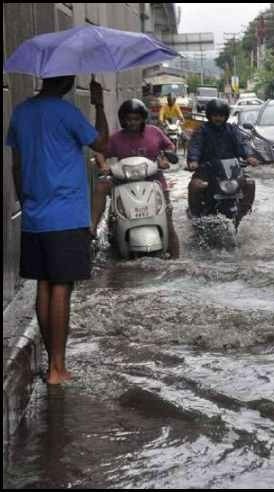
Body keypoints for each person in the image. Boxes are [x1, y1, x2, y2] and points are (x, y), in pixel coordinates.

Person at [6, 75, 109, 385]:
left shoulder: (21, 112)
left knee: (44, 284)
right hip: (66, 214)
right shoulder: (66, 113)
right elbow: (102, 143)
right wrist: (99, 103)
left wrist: (26, 200)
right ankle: (57, 368)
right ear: (65, 81)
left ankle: (54, 362)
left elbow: (16, 164)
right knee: (61, 285)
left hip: (35, 215)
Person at [91, 98, 181, 258]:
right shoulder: (116, 138)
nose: (132, 123)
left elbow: (169, 147)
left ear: (143, 119)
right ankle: (92, 228)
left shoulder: (155, 133)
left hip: (154, 181)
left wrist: (165, 159)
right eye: (129, 119)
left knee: (168, 223)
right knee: (100, 186)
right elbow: (100, 152)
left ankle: (176, 260)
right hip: (122, 182)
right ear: (123, 120)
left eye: (136, 119)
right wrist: (103, 164)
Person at [186, 99, 258, 218]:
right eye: (215, 115)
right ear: (209, 115)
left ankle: (243, 212)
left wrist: (249, 156)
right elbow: (195, 145)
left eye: (221, 115)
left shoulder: (232, 130)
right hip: (206, 171)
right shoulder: (202, 130)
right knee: (196, 186)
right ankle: (196, 214)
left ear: (226, 116)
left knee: (249, 184)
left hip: (232, 171)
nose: (218, 118)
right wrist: (193, 160)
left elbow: (242, 143)